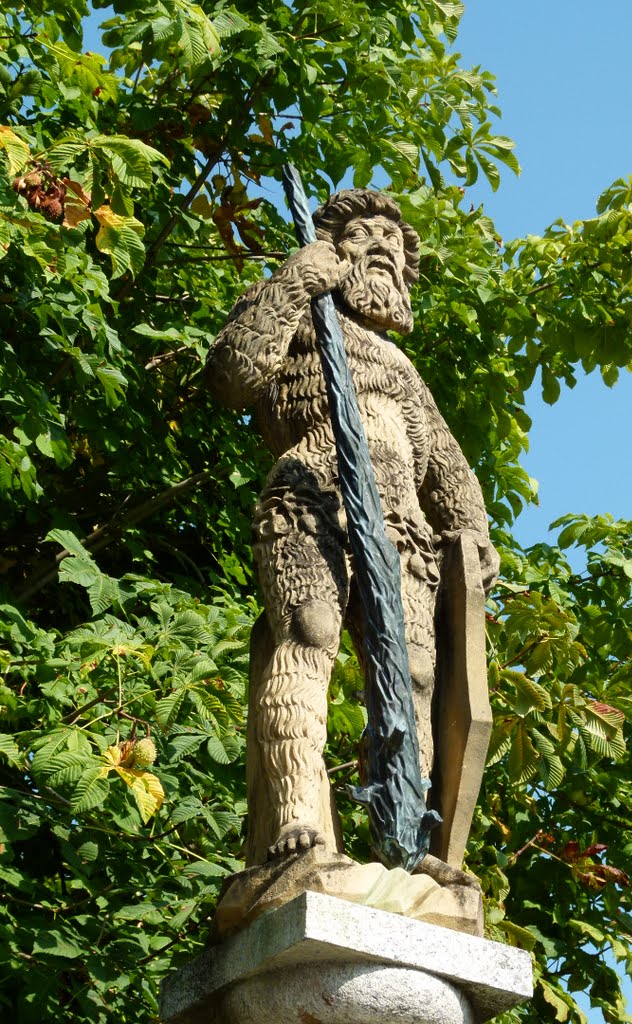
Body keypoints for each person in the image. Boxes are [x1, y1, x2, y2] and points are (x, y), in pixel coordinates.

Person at [205, 189, 498, 862]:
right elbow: (231, 377)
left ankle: (403, 834)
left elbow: (450, 471)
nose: (383, 251)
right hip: (312, 499)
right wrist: (295, 280)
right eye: (366, 235)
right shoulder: (297, 311)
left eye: (395, 247)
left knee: (415, 677)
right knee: (308, 634)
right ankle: (295, 819)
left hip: (404, 535)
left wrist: (473, 532)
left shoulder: (403, 368)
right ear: (332, 246)